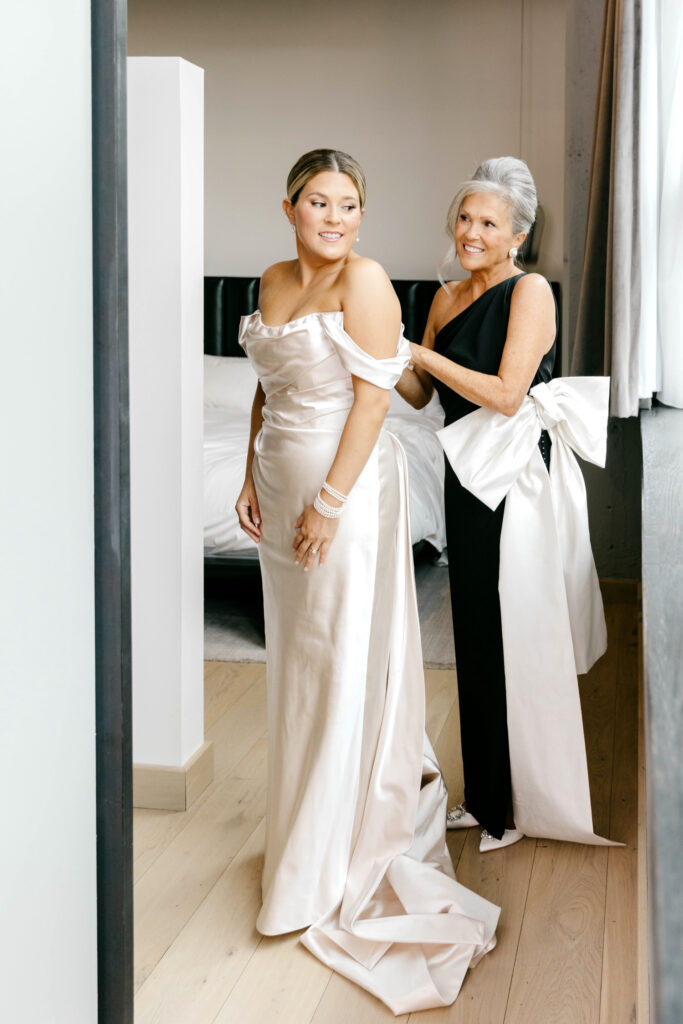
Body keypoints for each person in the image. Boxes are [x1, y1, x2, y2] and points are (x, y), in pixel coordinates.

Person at [235, 148, 498, 1015]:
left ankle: (335, 849)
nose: (336, 217)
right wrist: (248, 475)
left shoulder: (369, 281)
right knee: (297, 666)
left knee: (337, 655)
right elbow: (266, 391)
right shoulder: (272, 279)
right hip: (277, 486)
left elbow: (377, 401)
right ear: (289, 207)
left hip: (341, 495)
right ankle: (301, 830)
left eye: (349, 204)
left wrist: (328, 504)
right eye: (319, 202)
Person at [396, 157, 615, 853]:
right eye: (464, 217)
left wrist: (420, 357)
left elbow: (505, 394)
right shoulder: (442, 299)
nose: (470, 231)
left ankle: (524, 798)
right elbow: (419, 397)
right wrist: (374, 355)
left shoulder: (531, 294)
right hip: (466, 472)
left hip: (515, 474)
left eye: (487, 222)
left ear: (516, 235)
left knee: (517, 627)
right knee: (473, 634)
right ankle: (487, 798)